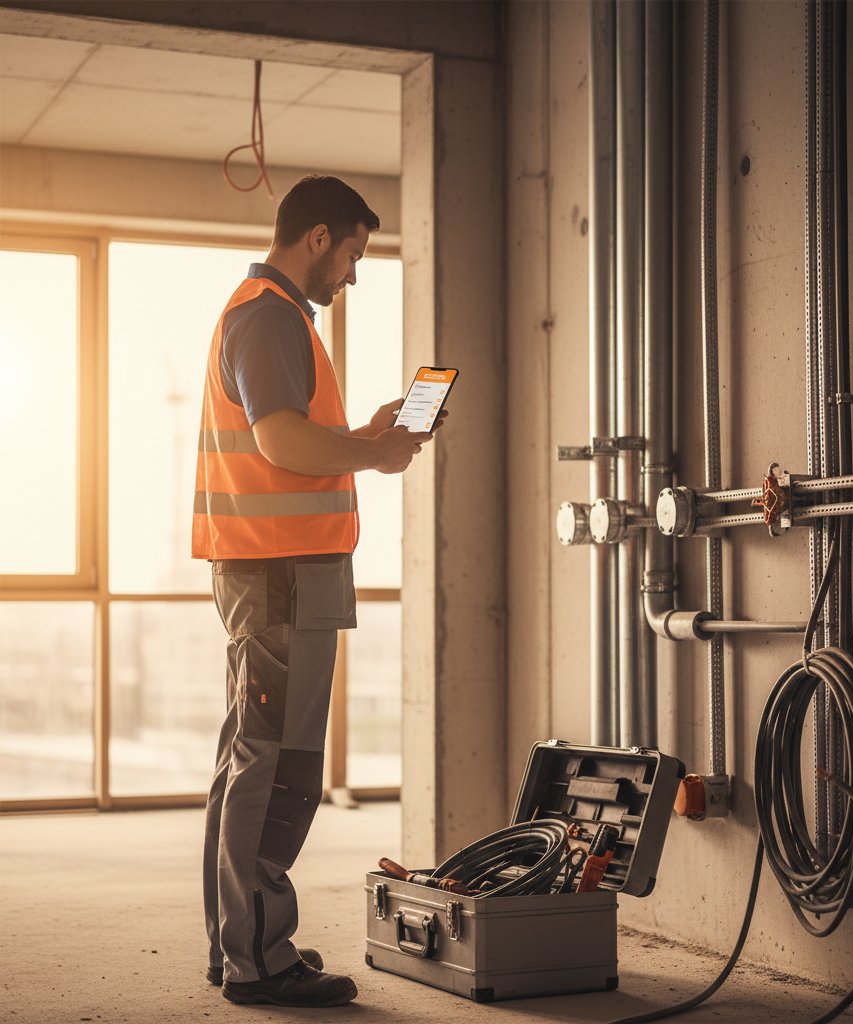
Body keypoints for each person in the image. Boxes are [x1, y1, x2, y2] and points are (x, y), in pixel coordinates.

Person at [192, 175, 434, 1008]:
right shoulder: (270, 316)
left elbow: (290, 442)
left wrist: (363, 435)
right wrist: (376, 455)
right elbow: (281, 442)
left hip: (272, 571)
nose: (354, 274)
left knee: (247, 759)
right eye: (354, 254)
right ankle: (260, 959)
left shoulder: (265, 315)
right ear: (319, 238)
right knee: (279, 767)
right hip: (282, 574)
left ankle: (237, 946)